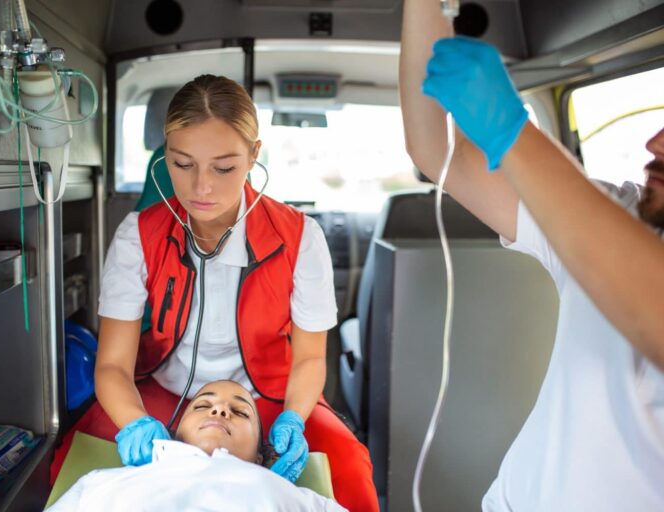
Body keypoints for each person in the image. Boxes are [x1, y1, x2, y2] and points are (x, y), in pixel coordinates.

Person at [51, 74, 378, 511]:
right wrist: (134, 424)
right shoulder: (138, 236)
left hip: (269, 396)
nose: (201, 188)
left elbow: (310, 357)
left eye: (223, 168)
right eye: (182, 164)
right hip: (161, 389)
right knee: (73, 458)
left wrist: (295, 420)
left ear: (253, 156)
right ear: (164, 154)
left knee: (350, 467)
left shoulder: (301, 238)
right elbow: (112, 365)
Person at [400, 1, 664, 510]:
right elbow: (437, 150)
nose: (654, 142)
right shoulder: (617, 214)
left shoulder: (610, 238)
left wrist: (511, 131)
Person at [46, 380, 347, 511]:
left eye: (240, 412)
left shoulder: (292, 496)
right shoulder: (100, 483)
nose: (219, 411)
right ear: (171, 435)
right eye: (202, 406)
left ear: (260, 457)